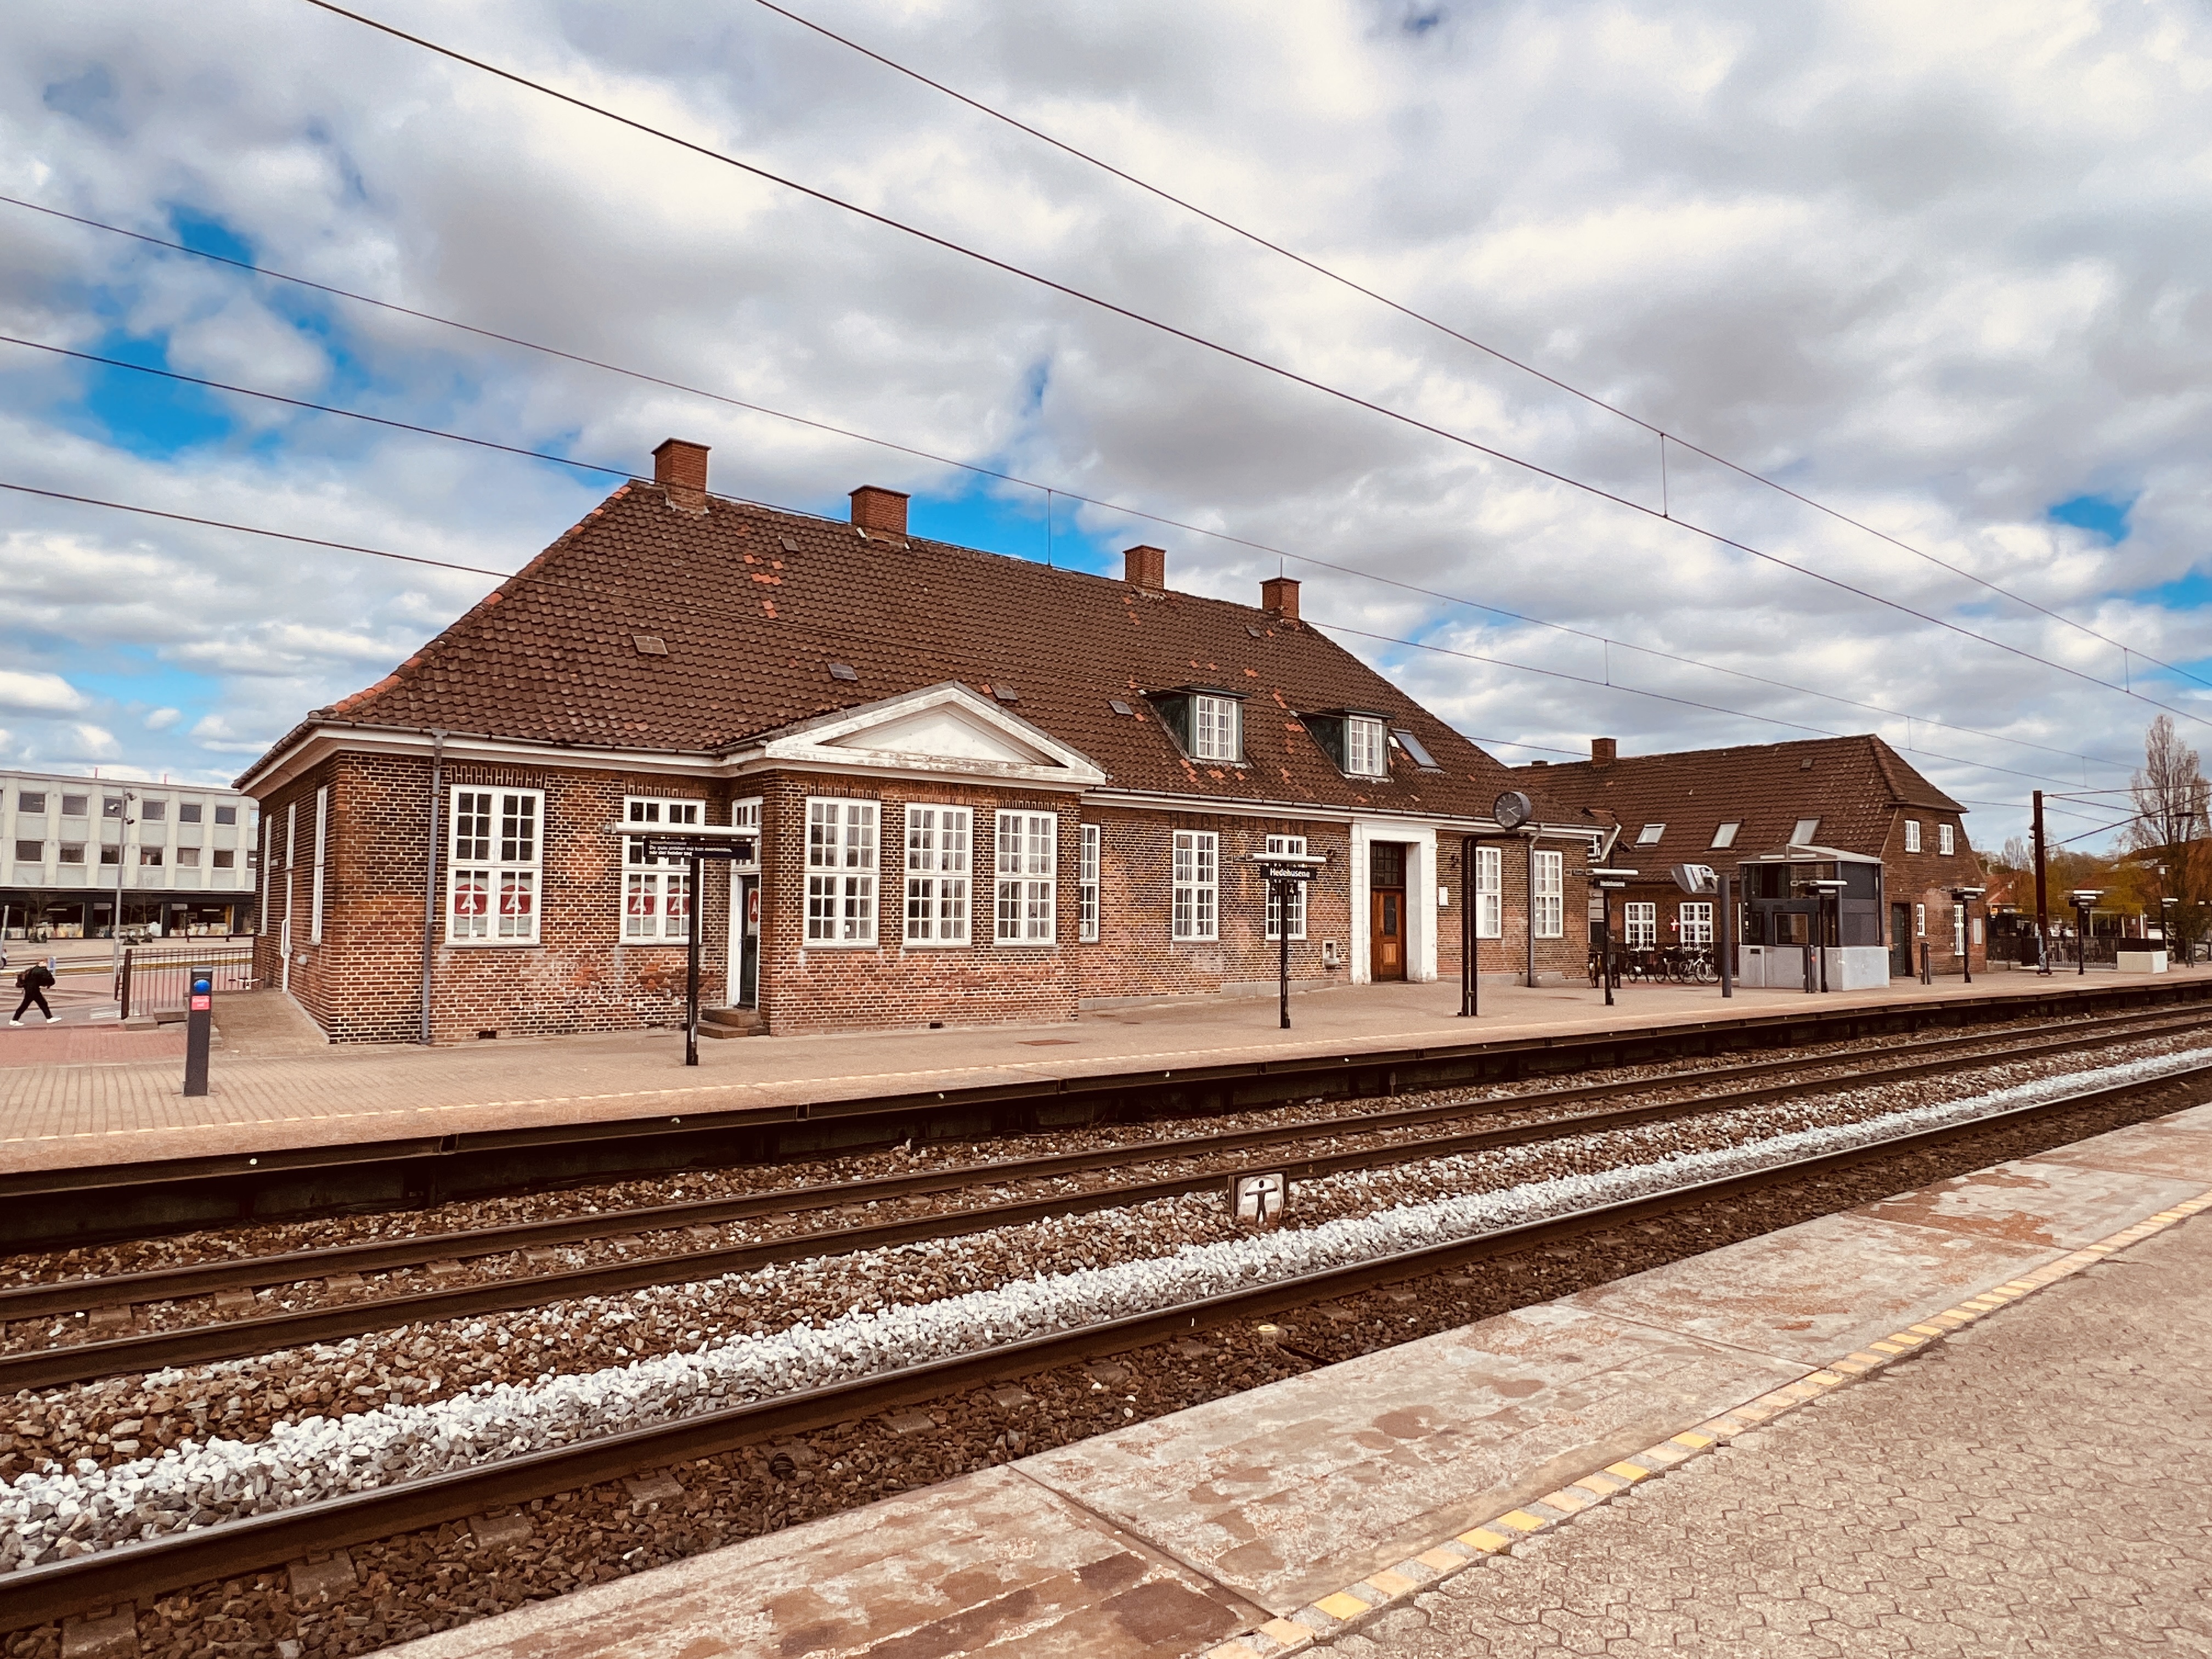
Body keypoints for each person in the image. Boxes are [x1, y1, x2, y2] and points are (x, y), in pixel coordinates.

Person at [11, 959, 56, 1026]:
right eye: (44, 963)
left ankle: (49, 1018)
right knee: (25, 1005)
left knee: (43, 1004)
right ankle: (14, 1020)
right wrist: (49, 983)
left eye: (46, 963)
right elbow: (48, 979)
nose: (46, 964)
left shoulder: (34, 969)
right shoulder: (41, 971)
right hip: (33, 990)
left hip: (31, 989)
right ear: (40, 963)